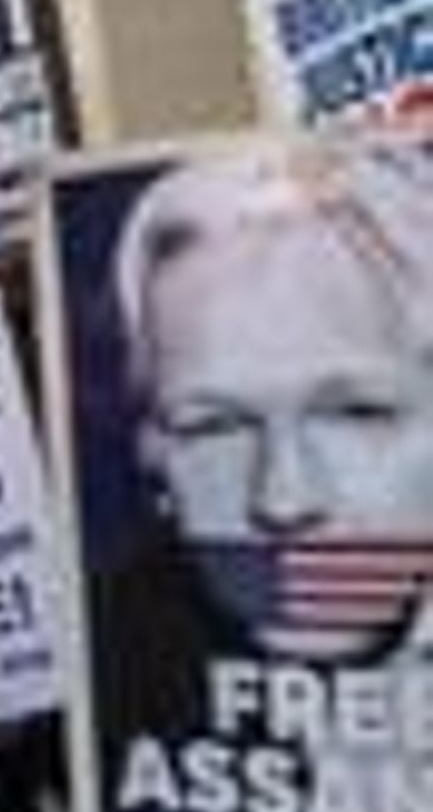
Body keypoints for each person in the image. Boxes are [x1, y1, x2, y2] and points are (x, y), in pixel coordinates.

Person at [113, 137, 433, 661]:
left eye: (355, 413)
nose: (283, 501)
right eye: (216, 426)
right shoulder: (112, 659)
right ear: (153, 456)